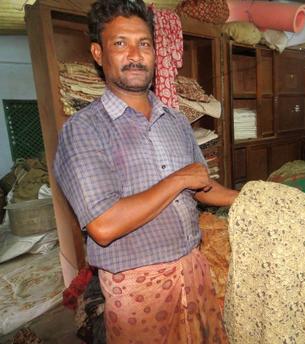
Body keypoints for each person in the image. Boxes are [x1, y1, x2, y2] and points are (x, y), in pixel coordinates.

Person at [53, 0, 238, 342]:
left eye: (145, 43)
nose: (135, 55)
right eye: (120, 43)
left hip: (193, 270)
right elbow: (104, 226)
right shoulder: (84, 130)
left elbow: (201, 187)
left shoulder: (177, 121)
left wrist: (252, 197)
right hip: (138, 288)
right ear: (98, 52)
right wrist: (179, 178)